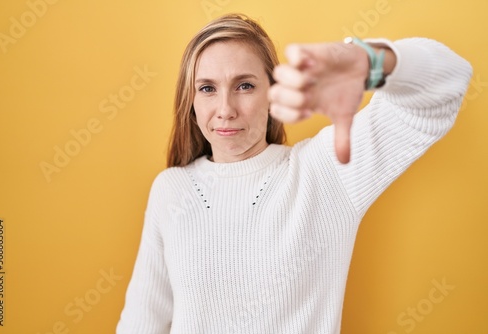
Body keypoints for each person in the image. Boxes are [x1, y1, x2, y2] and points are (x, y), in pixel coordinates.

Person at [116, 13, 472, 334]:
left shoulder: (323, 172)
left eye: (245, 85)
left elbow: (447, 86)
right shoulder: (171, 190)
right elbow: (141, 323)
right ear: (190, 102)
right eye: (207, 88)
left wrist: (367, 60)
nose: (225, 109)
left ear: (273, 94)